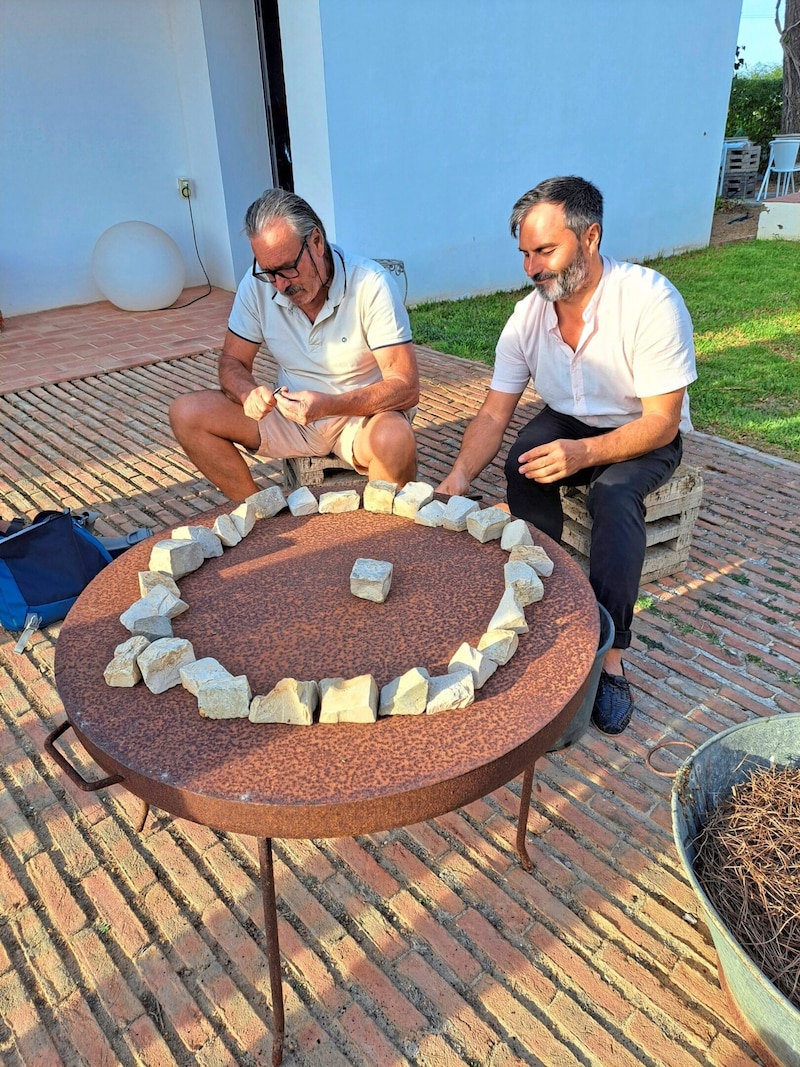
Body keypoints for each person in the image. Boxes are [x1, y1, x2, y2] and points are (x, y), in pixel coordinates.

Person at [438, 176, 697, 735]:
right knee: (521, 464)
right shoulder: (527, 316)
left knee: (614, 494)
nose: (532, 268)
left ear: (591, 237)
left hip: (641, 428)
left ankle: (609, 657)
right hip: (569, 418)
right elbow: (492, 414)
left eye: (545, 251)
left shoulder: (649, 300)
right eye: (525, 254)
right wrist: (457, 478)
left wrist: (584, 454)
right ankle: (546, 593)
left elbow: (662, 420)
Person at [170, 189, 419, 500]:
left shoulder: (370, 283)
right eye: (269, 272)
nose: (281, 285)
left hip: (360, 419)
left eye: (287, 267)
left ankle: (384, 537)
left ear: (316, 241)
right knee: (187, 413)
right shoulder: (256, 284)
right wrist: (247, 393)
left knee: (395, 438)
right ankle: (262, 515)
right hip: (290, 419)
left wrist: (329, 405)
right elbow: (232, 362)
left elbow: (405, 387)